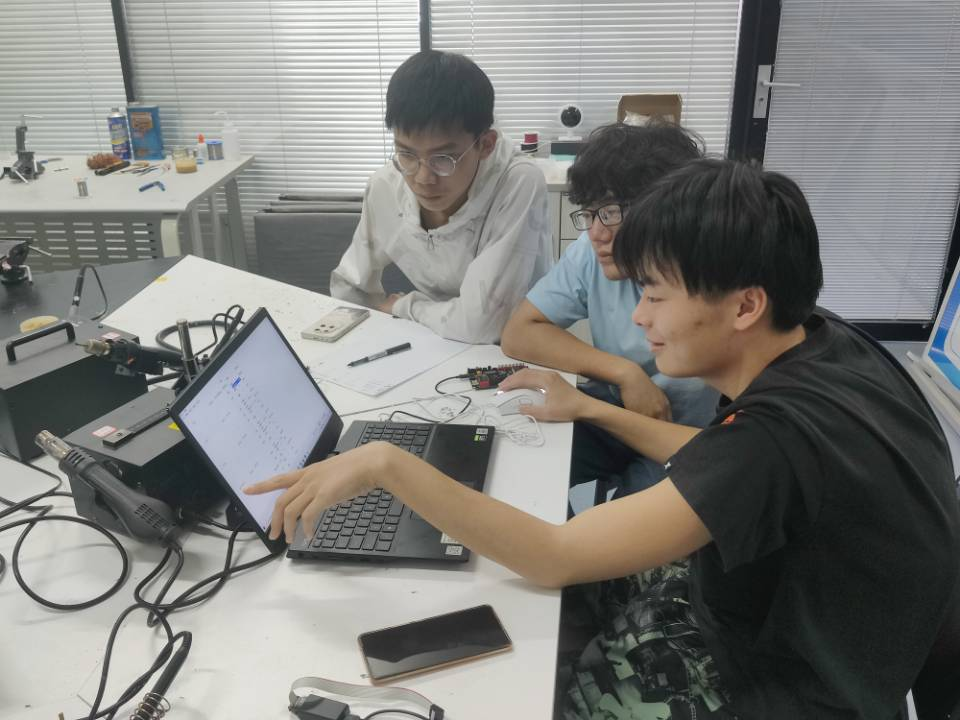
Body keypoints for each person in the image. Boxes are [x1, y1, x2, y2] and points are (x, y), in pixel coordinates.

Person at [248, 159, 960, 718]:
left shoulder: (770, 442)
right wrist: (593, 409)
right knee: (550, 598)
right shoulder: (827, 343)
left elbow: (554, 557)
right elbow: (713, 460)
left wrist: (386, 463)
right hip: (810, 620)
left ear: (745, 305)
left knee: (531, 677)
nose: (641, 318)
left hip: (786, 687)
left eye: (656, 294)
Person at [501, 122, 719, 497]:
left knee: (623, 525)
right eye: (589, 214)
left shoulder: (716, 277)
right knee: (515, 467)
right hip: (613, 413)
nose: (596, 234)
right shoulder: (593, 253)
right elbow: (519, 332)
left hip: (686, 438)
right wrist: (623, 372)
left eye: (612, 212)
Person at [330, 50, 553, 344]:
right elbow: (350, 285)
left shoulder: (518, 182)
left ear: (485, 145)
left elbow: (484, 324)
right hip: (434, 341)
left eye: (444, 158)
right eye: (406, 153)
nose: (423, 178)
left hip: (515, 347)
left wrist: (405, 306)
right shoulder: (385, 186)